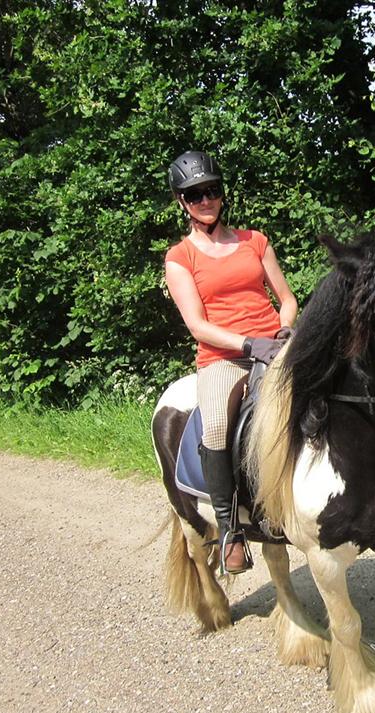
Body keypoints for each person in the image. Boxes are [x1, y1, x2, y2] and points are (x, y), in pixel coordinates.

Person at [163, 150, 296, 575]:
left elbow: (287, 299)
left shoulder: (254, 240)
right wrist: (247, 344)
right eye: (195, 194)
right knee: (217, 426)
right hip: (223, 358)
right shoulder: (180, 258)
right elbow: (198, 326)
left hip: (273, 346)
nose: (207, 200)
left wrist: (282, 330)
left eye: (212, 191)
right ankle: (230, 532)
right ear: (182, 202)